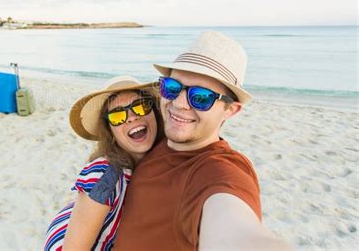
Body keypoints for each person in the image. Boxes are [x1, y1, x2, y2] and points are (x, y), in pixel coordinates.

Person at [114, 31, 291, 250]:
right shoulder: (154, 138)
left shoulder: (218, 171)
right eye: (172, 88)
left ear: (230, 110)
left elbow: (236, 229)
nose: (179, 104)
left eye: (200, 97)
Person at [43, 76, 163, 251]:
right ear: (110, 131)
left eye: (140, 106)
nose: (131, 118)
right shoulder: (104, 172)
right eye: (117, 115)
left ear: (154, 113)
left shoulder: (158, 159)